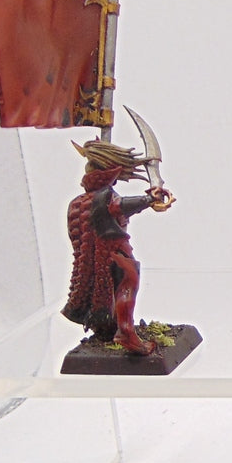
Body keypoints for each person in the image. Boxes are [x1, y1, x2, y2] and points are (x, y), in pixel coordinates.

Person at [63, 139, 173, 354]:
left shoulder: (77, 202)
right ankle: (125, 334)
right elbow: (119, 207)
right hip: (114, 251)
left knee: (105, 289)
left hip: (98, 254)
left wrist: (149, 200)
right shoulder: (105, 197)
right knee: (127, 285)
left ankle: (107, 327)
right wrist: (149, 199)